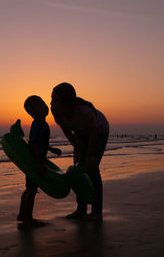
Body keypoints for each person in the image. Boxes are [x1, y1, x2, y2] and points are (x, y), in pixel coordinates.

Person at [51, 83, 109, 221]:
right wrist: (77, 148)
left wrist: (89, 155)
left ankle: (97, 212)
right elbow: (67, 131)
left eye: (54, 99)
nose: (51, 102)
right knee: (78, 169)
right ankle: (81, 210)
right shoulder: (55, 110)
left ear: (66, 102)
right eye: (51, 98)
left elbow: (93, 133)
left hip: (99, 132)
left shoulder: (84, 111)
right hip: (80, 133)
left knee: (91, 169)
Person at [17, 95, 62, 226]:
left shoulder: (42, 123)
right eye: (40, 105)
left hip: (36, 160)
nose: (44, 106)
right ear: (33, 112)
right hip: (35, 161)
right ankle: (28, 218)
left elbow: (41, 142)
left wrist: (51, 149)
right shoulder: (37, 124)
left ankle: (22, 214)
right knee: (31, 189)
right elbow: (34, 145)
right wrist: (39, 164)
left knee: (29, 188)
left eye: (43, 103)